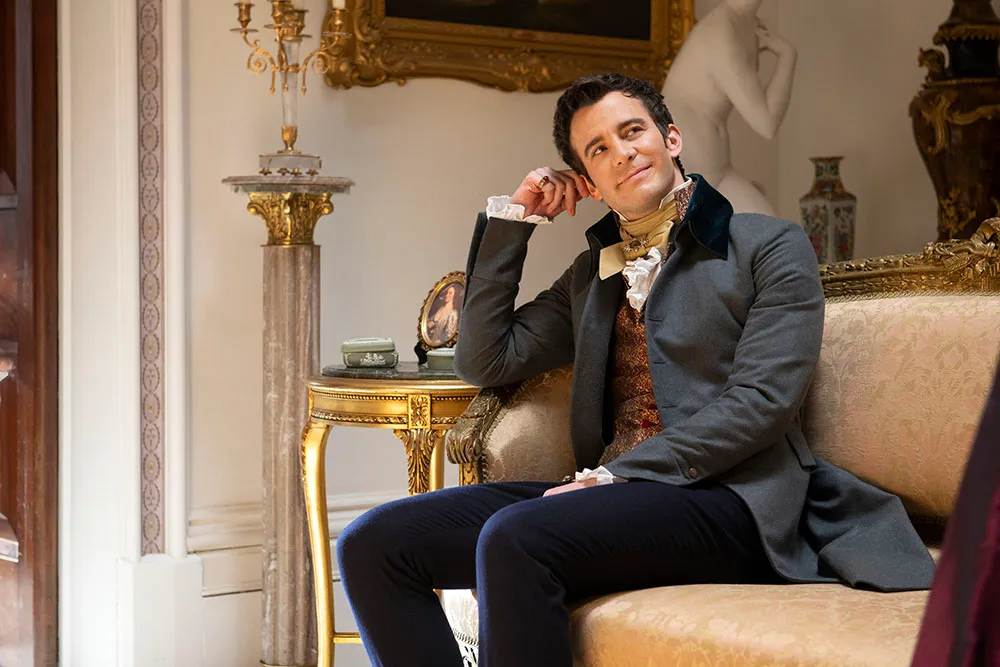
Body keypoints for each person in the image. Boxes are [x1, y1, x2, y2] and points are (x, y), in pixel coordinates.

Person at [336, 73, 934, 667]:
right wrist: (516, 219)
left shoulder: (769, 245)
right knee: (374, 544)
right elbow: (485, 359)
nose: (622, 153)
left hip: (734, 499)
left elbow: (762, 403)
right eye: (598, 149)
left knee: (516, 537)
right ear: (589, 183)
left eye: (632, 132)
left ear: (670, 138)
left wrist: (613, 476)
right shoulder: (591, 274)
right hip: (612, 497)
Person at [662, 0, 796, 215]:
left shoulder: (748, 23)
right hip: (688, 155)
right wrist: (787, 56)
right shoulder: (720, 30)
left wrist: (786, 54)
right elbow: (766, 123)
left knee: (767, 224)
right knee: (693, 233)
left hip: (717, 159)